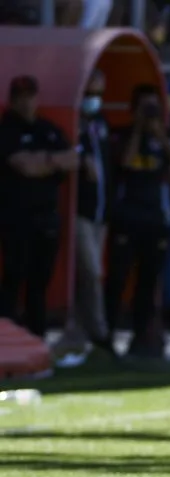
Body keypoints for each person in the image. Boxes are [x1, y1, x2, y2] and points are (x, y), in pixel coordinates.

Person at [0, 75, 79, 339]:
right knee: (13, 277)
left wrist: (43, 161)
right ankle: (7, 339)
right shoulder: (7, 129)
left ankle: (37, 338)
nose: (26, 102)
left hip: (47, 217)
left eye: (30, 96)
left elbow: (72, 159)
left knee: (40, 281)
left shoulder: (48, 129)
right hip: (15, 218)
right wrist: (52, 161)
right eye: (20, 97)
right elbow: (25, 166)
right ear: (12, 100)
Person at [104, 85, 170, 358]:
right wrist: (138, 129)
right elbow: (125, 161)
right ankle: (107, 337)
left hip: (155, 219)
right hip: (126, 217)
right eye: (145, 107)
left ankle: (142, 339)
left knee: (148, 283)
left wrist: (159, 134)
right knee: (117, 279)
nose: (149, 113)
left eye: (153, 107)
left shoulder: (165, 134)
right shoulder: (122, 134)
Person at [56, 68, 115, 362]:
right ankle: (100, 333)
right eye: (90, 93)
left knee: (91, 275)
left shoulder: (101, 122)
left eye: (99, 94)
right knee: (91, 272)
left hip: (100, 213)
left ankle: (79, 334)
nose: (95, 99)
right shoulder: (74, 122)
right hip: (80, 211)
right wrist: (81, 161)